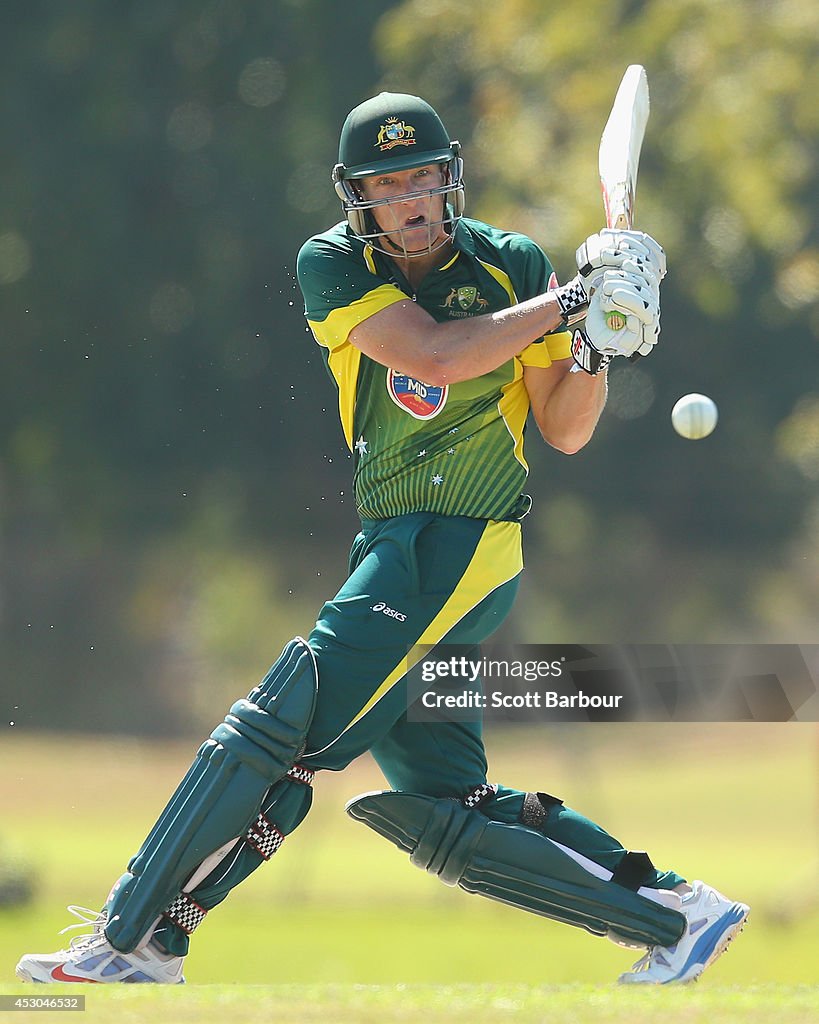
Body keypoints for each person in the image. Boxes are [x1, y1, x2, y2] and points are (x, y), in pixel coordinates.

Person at [17, 92, 748, 987]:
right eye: (384, 184)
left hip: (457, 549)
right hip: (395, 542)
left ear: (450, 183)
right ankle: (676, 915)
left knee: (275, 728)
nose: (406, 201)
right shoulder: (333, 263)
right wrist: (572, 302)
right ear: (355, 197)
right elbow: (434, 355)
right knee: (448, 809)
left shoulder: (510, 264)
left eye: (421, 180)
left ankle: (140, 939)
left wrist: (598, 341)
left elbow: (563, 427)